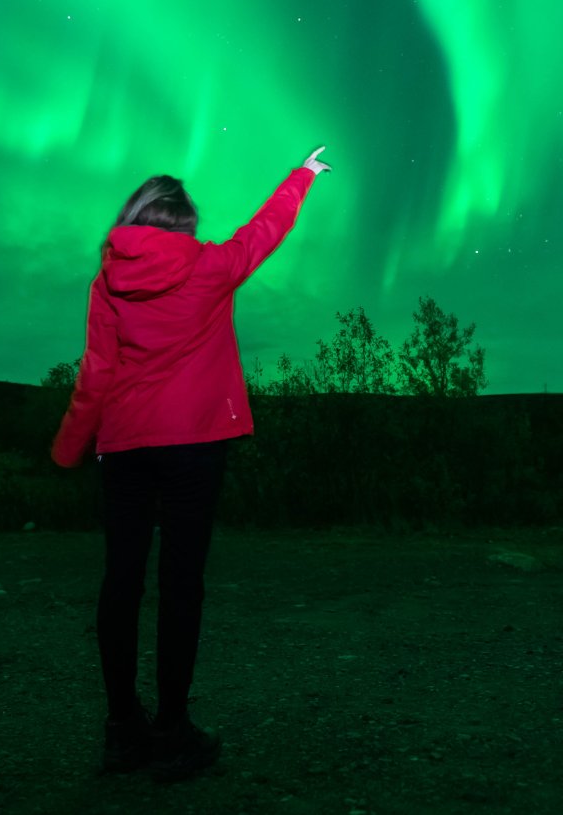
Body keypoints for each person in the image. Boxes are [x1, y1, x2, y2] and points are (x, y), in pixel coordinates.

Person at [51, 145, 333, 783]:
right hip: (194, 446)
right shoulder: (209, 267)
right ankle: (172, 732)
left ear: (134, 217)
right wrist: (302, 175)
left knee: (120, 583)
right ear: (182, 224)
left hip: (123, 445)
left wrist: (69, 445)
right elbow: (264, 232)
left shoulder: (107, 282)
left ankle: (122, 729)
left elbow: (95, 372)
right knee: (181, 584)